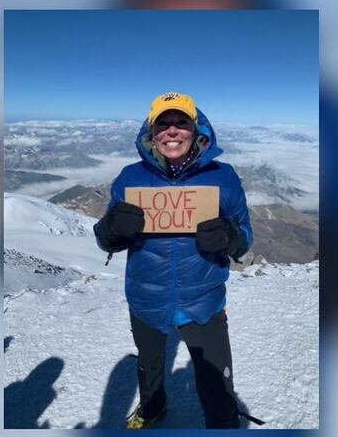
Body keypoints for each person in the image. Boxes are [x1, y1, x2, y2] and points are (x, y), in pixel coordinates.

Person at [94, 92, 253, 429]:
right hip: (145, 298)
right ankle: (153, 409)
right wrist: (111, 228)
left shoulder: (223, 177)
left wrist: (230, 238)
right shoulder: (129, 178)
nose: (172, 130)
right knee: (150, 365)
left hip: (204, 300)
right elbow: (106, 239)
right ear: (151, 133)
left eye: (181, 122)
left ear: (196, 130)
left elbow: (245, 236)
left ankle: (223, 425)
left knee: (217, 381)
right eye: (163, 123)